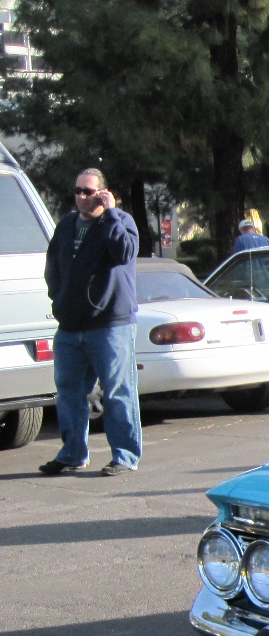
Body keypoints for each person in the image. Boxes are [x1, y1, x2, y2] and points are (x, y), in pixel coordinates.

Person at [38, 167, 140, 476]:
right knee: (68, 392)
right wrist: (59, 300)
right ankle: (72, 454)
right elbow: (52, 266)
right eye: (78, 191)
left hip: (110, 325)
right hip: (70, 327)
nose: (83, 197)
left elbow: (125, 253)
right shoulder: (67, 225)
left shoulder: (120, 222)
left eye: (90, 191)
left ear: (104, 193)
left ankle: (124, 457)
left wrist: (110, 214)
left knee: (117, 392)